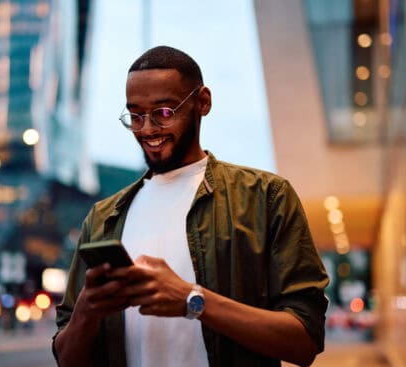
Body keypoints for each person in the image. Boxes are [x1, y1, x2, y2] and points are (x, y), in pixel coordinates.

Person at [53, 45, 329, 367]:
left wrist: (192, 300)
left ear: (203, 102)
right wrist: (87, 309)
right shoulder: (102, 219)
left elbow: (306, 339)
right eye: (136, 115)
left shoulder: (266, 198)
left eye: (164, 113)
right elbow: (67, 359)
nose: (147, 129)